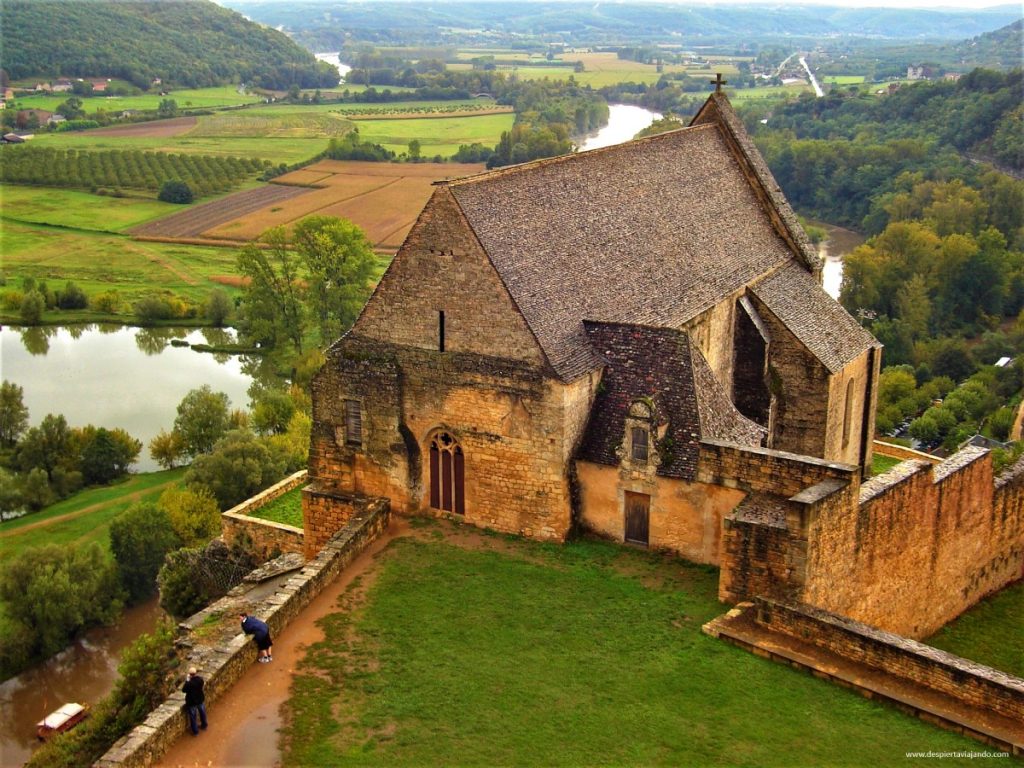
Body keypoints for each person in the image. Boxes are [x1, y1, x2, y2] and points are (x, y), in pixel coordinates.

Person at [182, 667, 208, 735]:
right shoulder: (200, 680)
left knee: (193, 716)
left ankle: (195, 731)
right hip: (200, 699)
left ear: (190, 674)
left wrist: (187, 681)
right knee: (202, 712)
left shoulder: (189, 683)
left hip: (192, 701)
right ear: (196, 673)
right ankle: (204, 725)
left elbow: (183, 690)